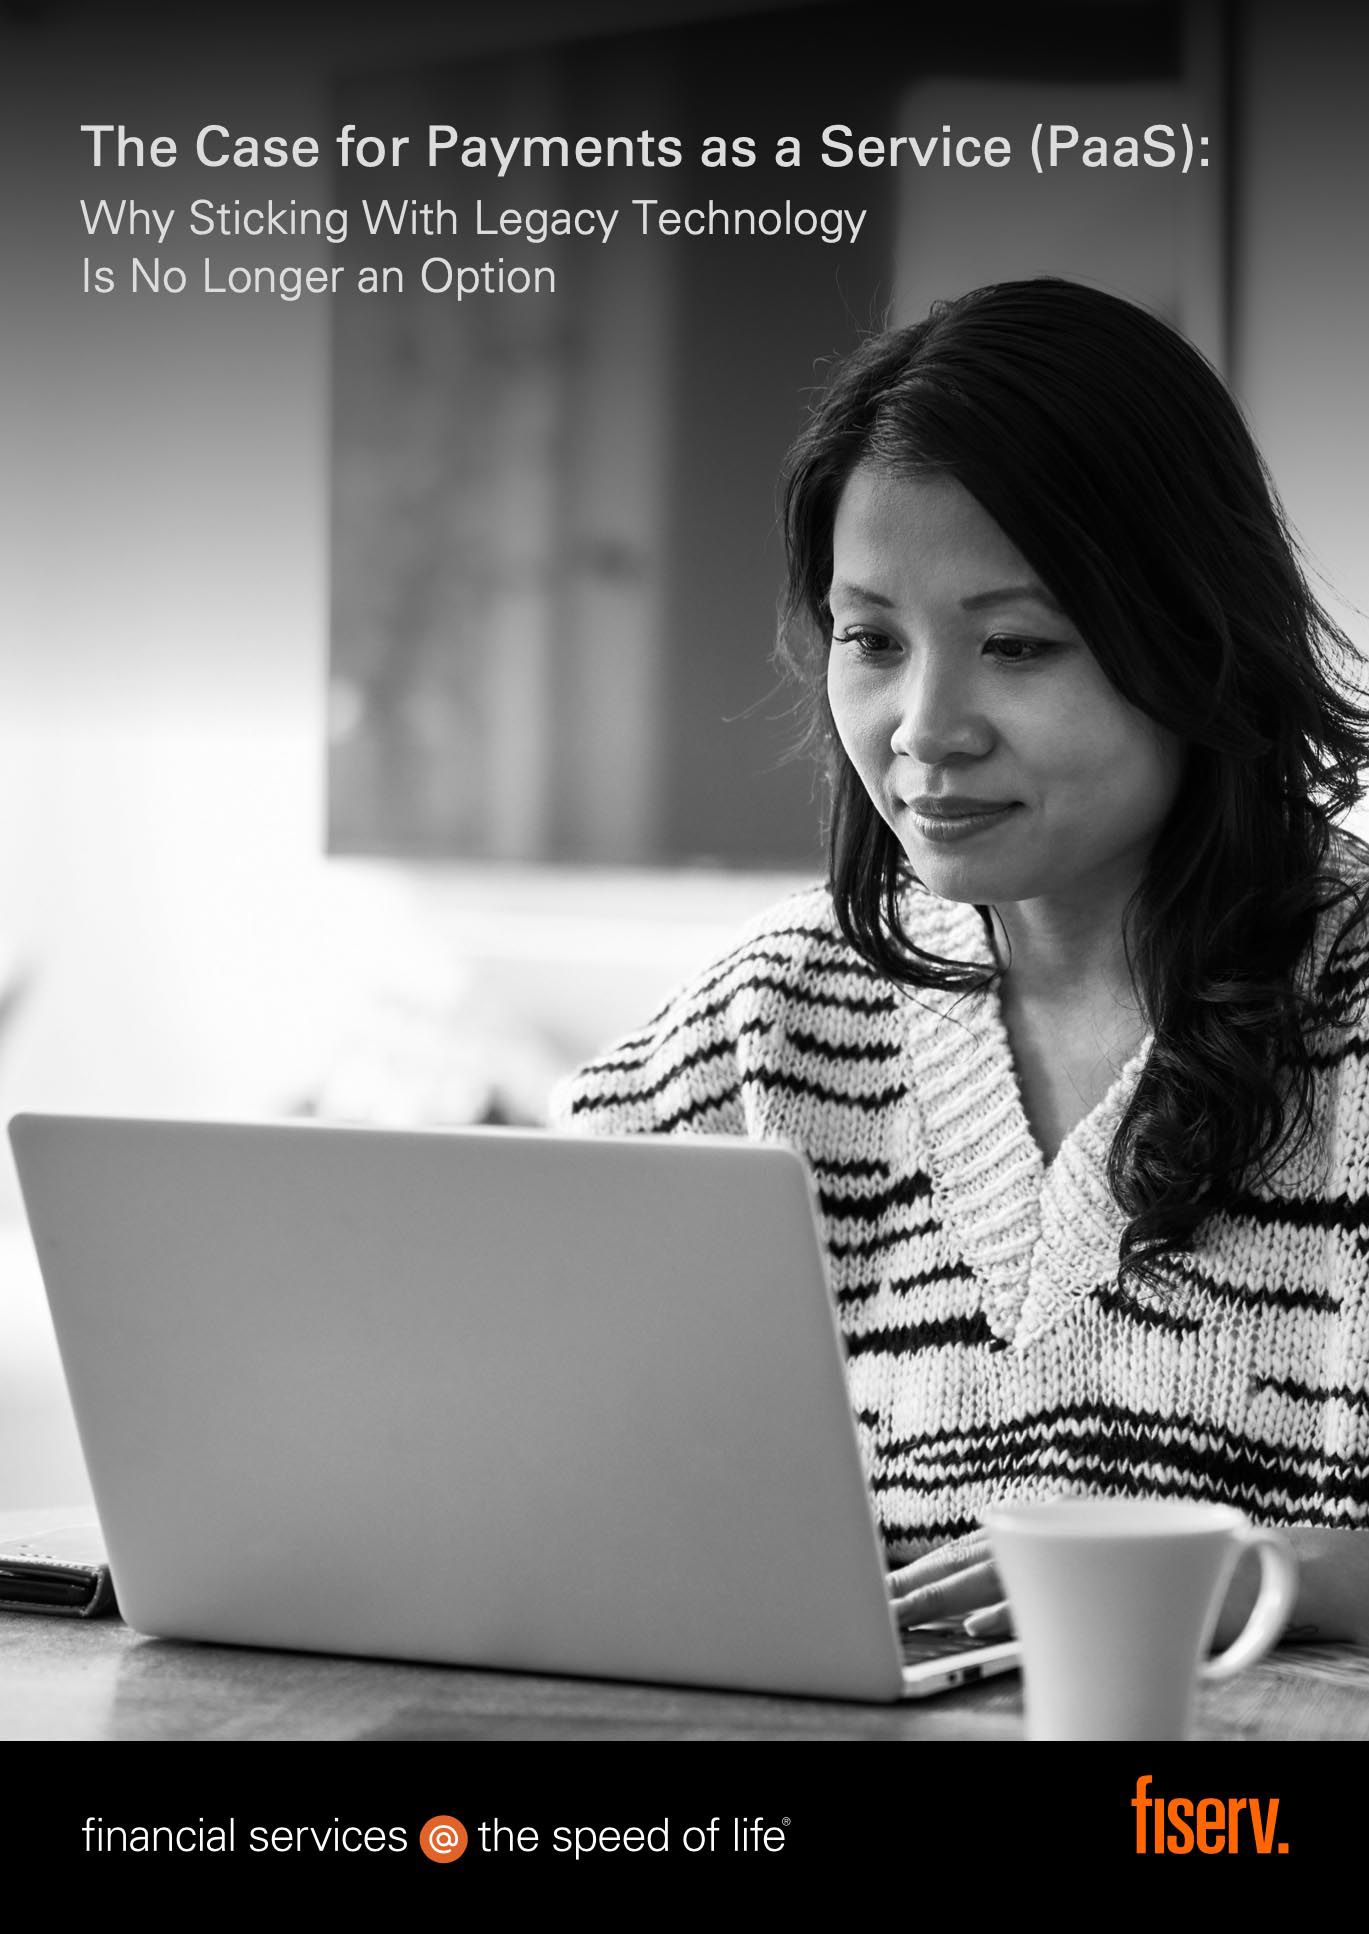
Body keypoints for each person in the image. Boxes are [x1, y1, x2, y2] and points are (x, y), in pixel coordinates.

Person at [550, 278, 1369, 1646]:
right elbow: (499, 1420)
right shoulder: (768, 1018)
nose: (923, 729)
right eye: (870, 638)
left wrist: (1234, 1577)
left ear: (1188, 634)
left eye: (1016, 645)